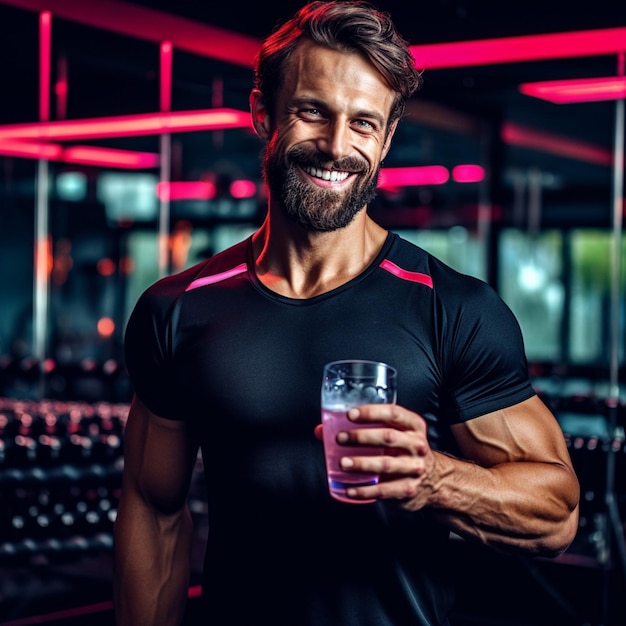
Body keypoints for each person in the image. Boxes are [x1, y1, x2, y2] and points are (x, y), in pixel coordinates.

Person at [113, 1, 580, 624]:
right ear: (262, 113)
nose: (337, 147)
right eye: (313, 111)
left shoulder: (453, 308)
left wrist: (433, 478)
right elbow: (153, 510)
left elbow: (557, 515)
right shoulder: (179, 309)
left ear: (386, 140)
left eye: (364, 123)